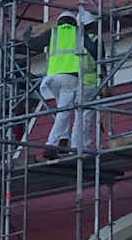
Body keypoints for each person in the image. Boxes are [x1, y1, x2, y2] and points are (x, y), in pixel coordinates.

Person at [25, 10, 107, 160]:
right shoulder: (80, 35)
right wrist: (103, 74)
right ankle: (57, 144)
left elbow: (32, 43)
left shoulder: (54, 32)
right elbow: (96, 53)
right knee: (70, 114)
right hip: (76, 81)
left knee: (62, 111)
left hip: (52, 79)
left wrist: (26, 34)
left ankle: (63, 139)